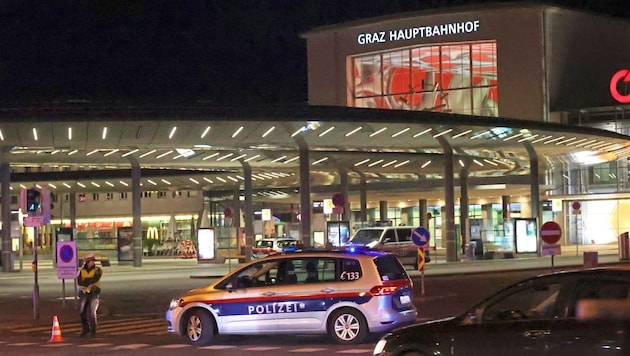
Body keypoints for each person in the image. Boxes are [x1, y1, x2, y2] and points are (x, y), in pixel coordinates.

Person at [77, 253, 102, 337]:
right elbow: (79, 281)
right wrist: (87, 281)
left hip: (94, 292)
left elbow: (95, 279)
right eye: (91, 261)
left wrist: (85, 281)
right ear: (87, 262)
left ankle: (93, 331)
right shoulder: (82, 271)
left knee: (92, 312)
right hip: (84, 292)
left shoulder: (97, 270)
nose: (92, 263)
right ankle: (85, 329)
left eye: (93, 261)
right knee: (81, 311)